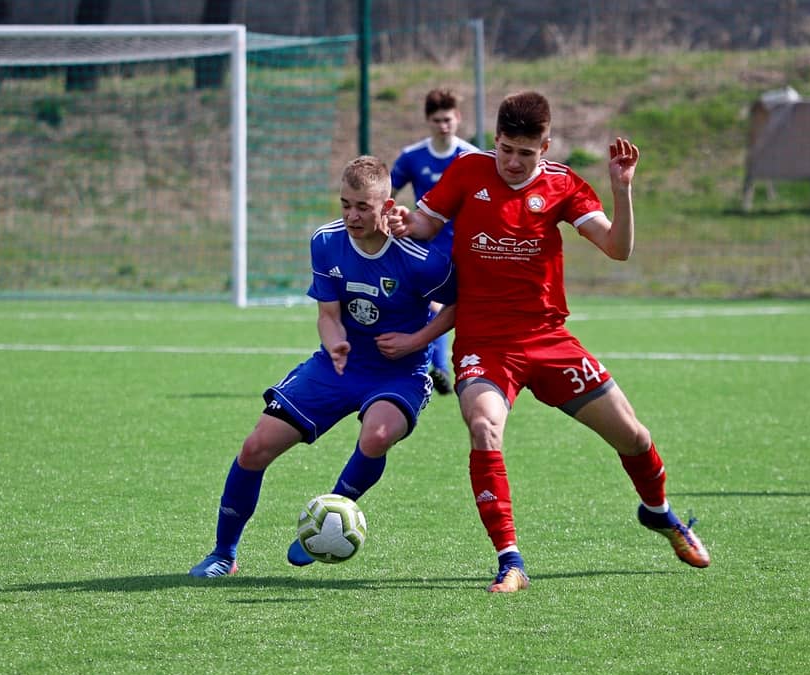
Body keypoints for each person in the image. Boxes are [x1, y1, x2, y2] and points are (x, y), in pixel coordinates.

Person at [387, 91, 710, 594]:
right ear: (495, 140)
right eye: (505, 149)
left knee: (634, 437)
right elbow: (426, 224)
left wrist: (622, 189)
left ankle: (658, 511)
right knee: (483, 426)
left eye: (525, 153)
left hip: (547, 339)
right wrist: (406, 222)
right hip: (484, 342)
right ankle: (510, 561)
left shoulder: (562, 184)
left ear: (546, 147)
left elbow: (617, 248)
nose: (513, 162)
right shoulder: (469, 171)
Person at [190, 155, 456, 578]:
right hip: (339, 365)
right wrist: (334, 343)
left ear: (387, 207)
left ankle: (328, 521)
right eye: (345, 204)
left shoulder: (421, 258)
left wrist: (416, 341)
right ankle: (224, 553)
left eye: (363, 207)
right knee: (255, 447)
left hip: (399, 372)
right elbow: (328, 315)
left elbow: (459, 306)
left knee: (378, 435)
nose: (352, 216)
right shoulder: (327, 242)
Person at [391, 88, 479, 396]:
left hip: (466, 247)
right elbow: (386, 194)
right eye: (437, 120)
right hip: (427, 247)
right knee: (434, 304)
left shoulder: (471, 157)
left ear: (458, 118)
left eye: (448, 119)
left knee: (464, 309)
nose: (444, 125)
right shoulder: (412, 156)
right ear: (428, 121)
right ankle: (436, 367)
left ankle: (455, 367)